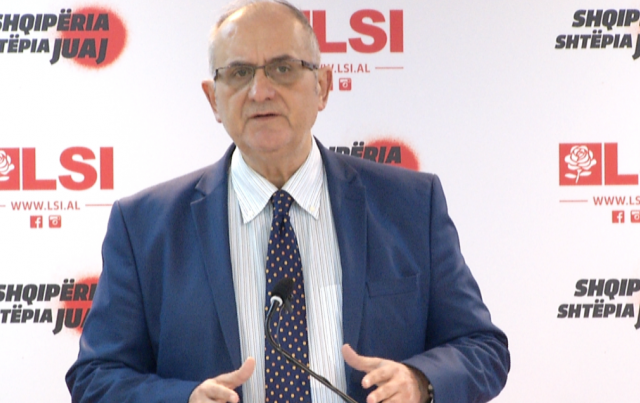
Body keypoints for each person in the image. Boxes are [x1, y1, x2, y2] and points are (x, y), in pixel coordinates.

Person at [66, 1, 510, 402]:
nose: (260, 91)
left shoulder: (411, 205)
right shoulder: (144, 226)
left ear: (323, 86)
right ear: (213, 99)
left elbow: (482, 347)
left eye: (283, 68)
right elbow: (95, 377)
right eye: (239, 73)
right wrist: (184, 400)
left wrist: (420, 381)